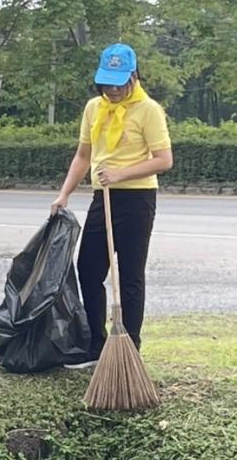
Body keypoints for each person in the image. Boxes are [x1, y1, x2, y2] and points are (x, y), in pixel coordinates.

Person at [50, 44, 173, 368]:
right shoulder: (94, 108)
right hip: (101, 198)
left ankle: (130, 348)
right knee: (89, 270)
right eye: (107, 82)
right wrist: (64, 194)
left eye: (119, 82)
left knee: (130, 275)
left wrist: (120, 173)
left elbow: (164, 160)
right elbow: (83, 155)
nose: (113, 89)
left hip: (137, 199)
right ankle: (96, 346)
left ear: (134, 76)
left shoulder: (149, 110)